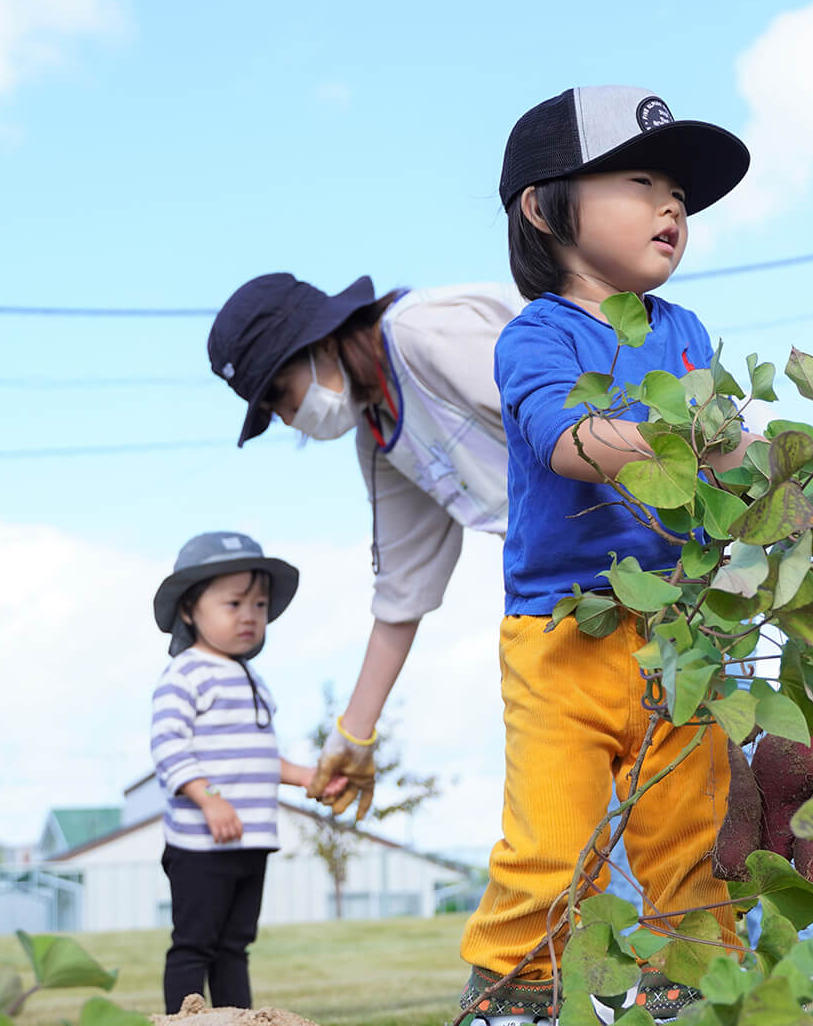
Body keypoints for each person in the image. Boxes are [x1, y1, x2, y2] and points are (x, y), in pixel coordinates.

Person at [458, 85, 756, 1026]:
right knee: (553, 843)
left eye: (680, 193)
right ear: (545, 206)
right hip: (564, 635)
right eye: (640, 180)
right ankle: (515, 992)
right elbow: (566, 441)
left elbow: (730, 455)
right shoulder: (538, 334)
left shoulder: (684, 333)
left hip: (683, 632)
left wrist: (777, 481)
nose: (672, 206)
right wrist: (689, 445)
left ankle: (696, 995)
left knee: (690, 839)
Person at [207, 275, 523, 816]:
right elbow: (403, 591)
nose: (286, 419)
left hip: (661, 526)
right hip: (575, 583)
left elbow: (588, 411)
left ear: (319, 341)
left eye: (279, 394)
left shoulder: (424, 333)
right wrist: (353, 738)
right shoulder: (380, 434)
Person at [149, 532, 315, 1012]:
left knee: (234, 948)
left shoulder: (251, 677)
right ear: (188, 611)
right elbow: (168, 746)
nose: (250, 615)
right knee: (194, 945)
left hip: (252, 839)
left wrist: (304, 776)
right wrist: (208, 798)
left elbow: (257, 756)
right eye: (234, 603)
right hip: (202, 844)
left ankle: (237, 1021)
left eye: (260, 604)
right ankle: (184, 1022)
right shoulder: (186, 674)